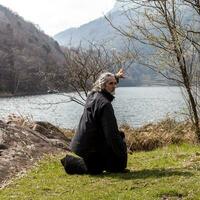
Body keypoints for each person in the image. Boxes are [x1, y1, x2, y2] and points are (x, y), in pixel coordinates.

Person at [61, 69, 128, 174]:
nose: (114, 86)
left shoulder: (92, 94)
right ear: (103, 85)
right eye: (111, 83)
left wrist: (116, 76)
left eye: (115, 83)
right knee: (113, 166)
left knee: (100, 166)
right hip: (91, 148)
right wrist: (122, 151)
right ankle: (69, 162)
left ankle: (94, 163)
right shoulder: (105, 104)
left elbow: (101, 81)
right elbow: (111, 133)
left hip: (83, 145)